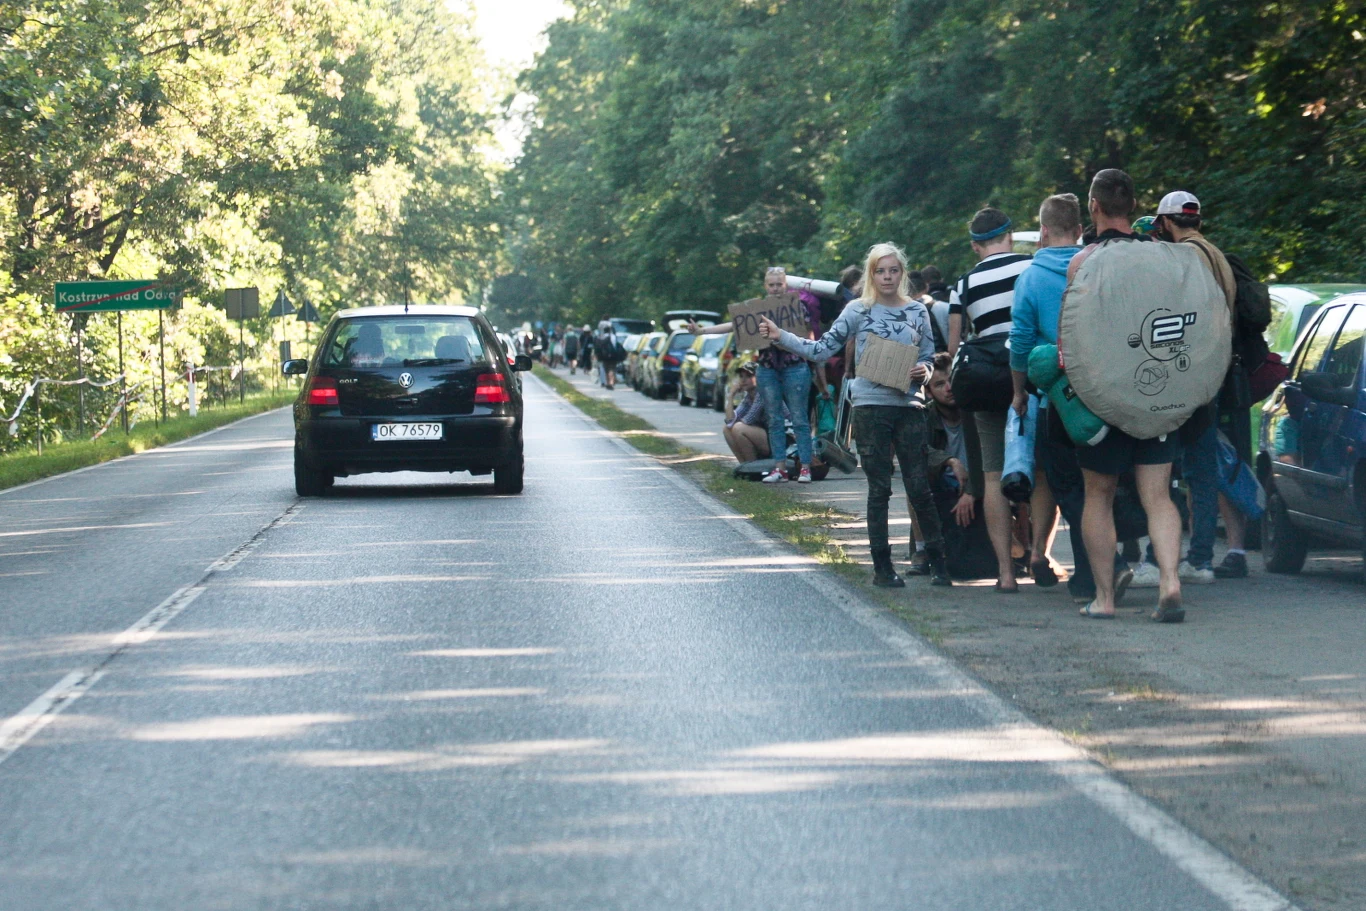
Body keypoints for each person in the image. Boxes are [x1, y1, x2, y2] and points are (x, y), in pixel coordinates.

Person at [759, 242, 950, 588]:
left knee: (919, 487)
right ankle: (883, 568)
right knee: (879, 490)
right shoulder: (857, 310)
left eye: (893, 270)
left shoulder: (917, 311)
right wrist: (780, 336)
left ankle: (938, 562)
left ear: (902, 274)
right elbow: (821, 349)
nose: (887, 277)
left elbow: (927, 357)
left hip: (909, 407)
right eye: (880, 271)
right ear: (871, 275)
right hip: (870, 408)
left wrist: (923, 371)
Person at [1067, 169, 1187, 622]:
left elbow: (1070, 337)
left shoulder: (1083, 262)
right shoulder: (1163, 257)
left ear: (1093, 207)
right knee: (1158, 495)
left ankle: (1105, 599)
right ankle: (1170, 582)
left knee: (1098, 495)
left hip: (1104, 396)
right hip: (1157, 390)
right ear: (1134, 206)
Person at [1009, 192, 1129, 602]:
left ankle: (1102, 572)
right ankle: (1096, 575)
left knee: (1069, 487)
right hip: (1108, 390)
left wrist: (1019, 391)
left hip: (1059, 399)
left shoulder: (1030, 278)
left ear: (1042, 231)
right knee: (1102, 484)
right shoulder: (1100, 265)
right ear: (1079, 229)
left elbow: (1020, 342)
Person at [1128, 191, 1243, 587]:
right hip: (1213, 374)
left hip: (1181, 376)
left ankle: (1157, 560)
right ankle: (1201, 560)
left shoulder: (1181, 257)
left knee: (1163, 469)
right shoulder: (1216, 254)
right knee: (1202, 470)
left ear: (1164, 222)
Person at [947, 207, 1034, 593]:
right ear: (1010, 236)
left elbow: (954, 348)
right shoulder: (1031, 269)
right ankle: (1038, 554)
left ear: (974, 246)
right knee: (1040, 471)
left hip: (986, 384)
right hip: (1030, 378)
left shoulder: (964, 284)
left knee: (994, 475)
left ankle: (1005, 573)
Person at [690, 267, 820, 484]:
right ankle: (779, 469)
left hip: (794, 366)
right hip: (767, 368)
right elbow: (735, 325)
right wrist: (701, 331)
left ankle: (805, 467)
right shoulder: (758, 309)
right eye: (772, 284)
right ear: (765, 286)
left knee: (799, 418)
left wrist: (809, 354)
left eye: (779, 284)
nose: (776, 288)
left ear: (786, 285)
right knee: (774, 419)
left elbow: (809, 334)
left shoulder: (796, 306)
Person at [722, 362, 771, 462]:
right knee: (727, 429)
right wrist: (731, 396)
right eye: (741, 376)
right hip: (766, 435)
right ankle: (744, 465)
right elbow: (730, 422)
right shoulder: (748, 398)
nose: (743, 380)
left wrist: (736, 424)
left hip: (780, 438)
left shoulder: (762, 393)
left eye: (748, 376)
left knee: (738, 428)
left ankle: (752, 466)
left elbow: (749, 420)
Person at [594, 321, 619, 389]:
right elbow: (615, 346)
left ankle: (607, 383)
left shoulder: (601, 337)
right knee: (612, 369)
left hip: (604, 355)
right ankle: (611, 383)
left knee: (606, 369)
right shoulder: (613, 337)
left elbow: (598, 347)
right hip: (612, 355)